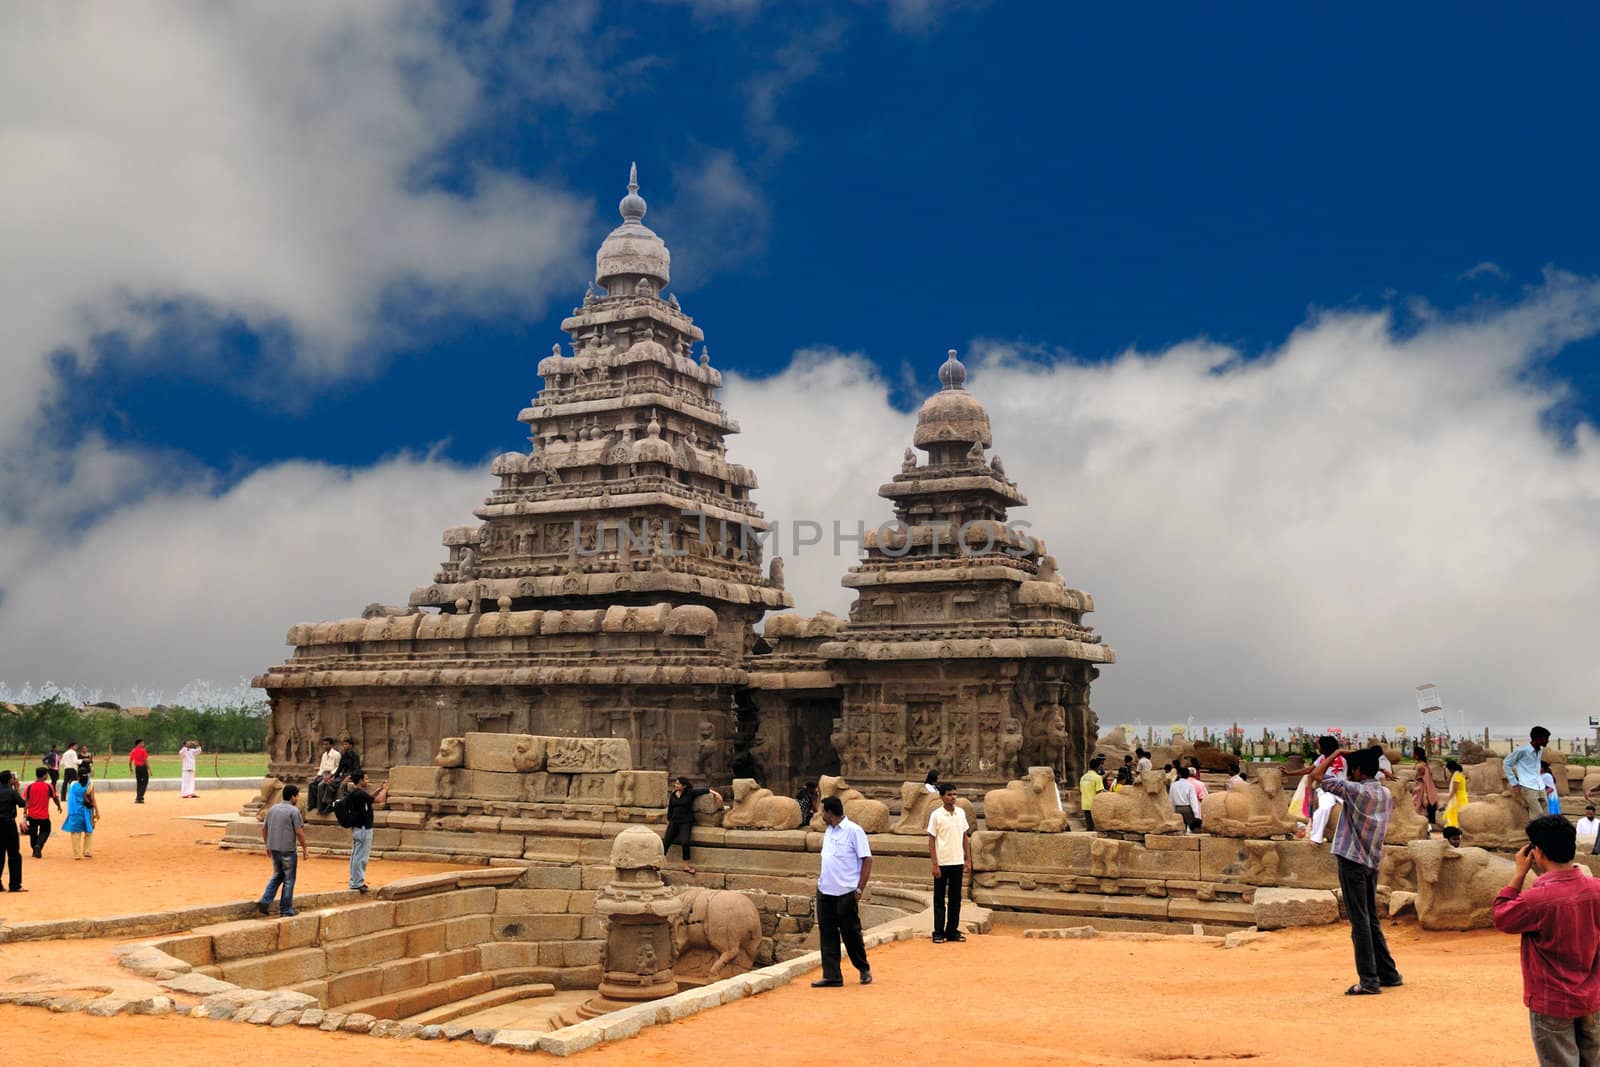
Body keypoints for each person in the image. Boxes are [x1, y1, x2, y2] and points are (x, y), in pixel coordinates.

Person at [1492, 815, 1600, 1066]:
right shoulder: (1596, 890)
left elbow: (1501, 917)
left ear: (1536, 851)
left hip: (1552, 1001)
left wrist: (1518, 874)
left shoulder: (1536, 900)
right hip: (1593, 998)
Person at [1308, 745, 1402, 996]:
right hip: (1371, 862)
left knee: (1359, 920)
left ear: (1359, 771)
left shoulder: (1354, 791)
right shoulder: (1384, 794)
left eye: (1352, 769)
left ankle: (1369, 980)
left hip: (1351, 860)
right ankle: (1388, 974)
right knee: (1370, 918)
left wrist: (1336, 752)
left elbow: (1316, 776)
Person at [811, 795, 872, 988]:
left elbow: (867, 860)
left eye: (823, 812)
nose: (821, 815)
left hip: (846, 891)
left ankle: (863, 968)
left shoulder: (854, 831)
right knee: (827, 934)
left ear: (830, 813)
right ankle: (832, 975)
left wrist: (859, 888)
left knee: (851, 933)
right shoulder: (829, 831)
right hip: (825, 890)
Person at [926, 782, 971, 944]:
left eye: (954, 794)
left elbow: (965, 837)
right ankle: (938, 932)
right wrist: (934, 864)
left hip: (957, 861)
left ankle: (952, 930)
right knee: (939, 899)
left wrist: (967, 859)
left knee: (955, 898)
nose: (952, 797)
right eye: (949, 794)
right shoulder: (936, 815)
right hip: (942, 862)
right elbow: (931, 840)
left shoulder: (961, 813)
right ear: (941, 797)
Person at [257, 784, 308, 917]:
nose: (297, 798)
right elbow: (299, 832)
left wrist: (267, 844)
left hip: (274, 847)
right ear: (293, 797)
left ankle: (265, 900)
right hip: (288, 849)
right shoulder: (294, 811)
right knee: (289, 879)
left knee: (278, 875)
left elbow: (264, 829)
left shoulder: (273, 809)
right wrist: (305, 848)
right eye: (297, 796)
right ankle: (286, 909)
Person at [341, 772, 388, 893]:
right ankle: (357, 882)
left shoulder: (356, 793)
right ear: (360, 780)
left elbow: (369, 798)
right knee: (361, 857)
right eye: (366, 779)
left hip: (358, 828)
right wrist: (385, 790)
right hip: (363, 828)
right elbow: (378, 800)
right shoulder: (360, 794)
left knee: (356, 855)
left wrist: (378, 789)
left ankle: (355, 881)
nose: (367, 781)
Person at [665, 777, 720, 875]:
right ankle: (657, 863)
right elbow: (671, 808)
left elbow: (703, 790)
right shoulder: (673, 794)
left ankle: (686, 865)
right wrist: (668, 820)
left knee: (685, 842)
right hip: (674, 821)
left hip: (685, 821)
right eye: (676, 783)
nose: (676, 785)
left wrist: (716, 793)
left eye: (678, 784)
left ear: (684, 785)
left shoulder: (690, 793)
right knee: (666, 842)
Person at [1506, 727, 1553, 824]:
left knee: (1546, 813)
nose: (1548, 741)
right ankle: (1535, 837)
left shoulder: (1540, 750)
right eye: (1546, 738)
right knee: (1537, 815)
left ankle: (1546, 836)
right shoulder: (1522, 751)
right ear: (1538, 738)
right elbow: (1506, 763)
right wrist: (1514, 783)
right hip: (1528, 786)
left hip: (1540, 785)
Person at [1308, 736, 1346, 845]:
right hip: (1326, 790)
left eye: (1319, 745)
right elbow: (1310, 773)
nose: (1318, 747)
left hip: (1343, 789)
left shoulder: (1344, 758)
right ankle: (1316, 838)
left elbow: (1362, 758)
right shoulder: (1321, 759)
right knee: (1324, 808)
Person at [23, 767, 61, 859]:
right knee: (45, 830)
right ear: (44, 775)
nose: (47, 776)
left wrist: (24, 813)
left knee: (33, 832)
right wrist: (58, 806)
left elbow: (26, 802)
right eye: (46, 774)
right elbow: (55, 797)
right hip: (44, 816)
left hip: (32, 815)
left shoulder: (29, 787)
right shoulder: (48, 786)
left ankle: (34, 850)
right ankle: (38, 845)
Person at [62, 769, 98, 859]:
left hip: (75, 811)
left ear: (78, 775)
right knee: (88, 831)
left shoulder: (73, 784)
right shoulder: (90, 785)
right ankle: (87, 851)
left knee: (75, 833)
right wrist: (97, 811)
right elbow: (93, 799)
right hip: (86, 811)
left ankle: (77, 854)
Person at [0, 771, 26, 892]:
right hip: (8, 824)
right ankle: (14, 884)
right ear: (10, 780)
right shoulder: (11, 792)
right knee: (14, 854)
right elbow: (23, 803)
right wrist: (17, 789)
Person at [1411, 746, 1439, 829]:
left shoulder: (1421, 766)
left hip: (1421, 789)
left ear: (1417, 755)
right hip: (1418, 787)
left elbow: (1426, 780)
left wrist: (1426, 794)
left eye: (1413, 753)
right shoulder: (1421, 764)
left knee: (1418, 807)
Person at [312, 737, 340, 813]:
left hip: (332, 774)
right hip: (324, 774)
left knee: (320, 785)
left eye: (326, 744)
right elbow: (322, 767)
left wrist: (330, 775)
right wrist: (317, 775)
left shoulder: (336, 754)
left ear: (331, 745)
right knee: (311, 784)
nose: (324, 746)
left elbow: (338, 767)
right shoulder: (324, 755)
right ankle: (312, 804)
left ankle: (322, 807)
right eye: (324, 744)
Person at [1168, 766, 1201, 833]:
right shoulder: (1190, 785)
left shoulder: (1173, 785)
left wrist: (1171, 811)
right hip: (1187, 809)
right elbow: (1193, 800)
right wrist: (1196, 814)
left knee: (1179, 828)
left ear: (1179, 774)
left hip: (1177, 808)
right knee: (1190, 828)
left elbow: (1171, 799)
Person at [1079, 756, 1106, 831]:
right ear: (1097, 767)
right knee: (1096, 826)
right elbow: (1099, 792)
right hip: (1094, 805)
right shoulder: (1097, 777)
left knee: (1089, 825)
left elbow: (1081, 790)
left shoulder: (1083, 777)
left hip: (1085, 804)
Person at [1443, 759, 1468, 829]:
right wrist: (1444, 770)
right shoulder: (1456, 774)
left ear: (1451, 769)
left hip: (1458, 798)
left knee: (1454, 814)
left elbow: (1453, 790)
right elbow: (1447, 781)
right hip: (1459, 797)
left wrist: (1446, 802)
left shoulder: (1457, 776)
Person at [127, 738, 151, 804]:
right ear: (139, 744)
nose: (143, 744)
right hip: (143, 767)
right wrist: (150, 769)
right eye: (142, 743)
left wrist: (131, 769)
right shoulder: (143, 750)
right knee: (145, 781)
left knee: (139, 782)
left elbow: (130, 761)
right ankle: (139, 797)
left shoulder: (133, 751)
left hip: (137, 768)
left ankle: (139, 797)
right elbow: (146, 761)